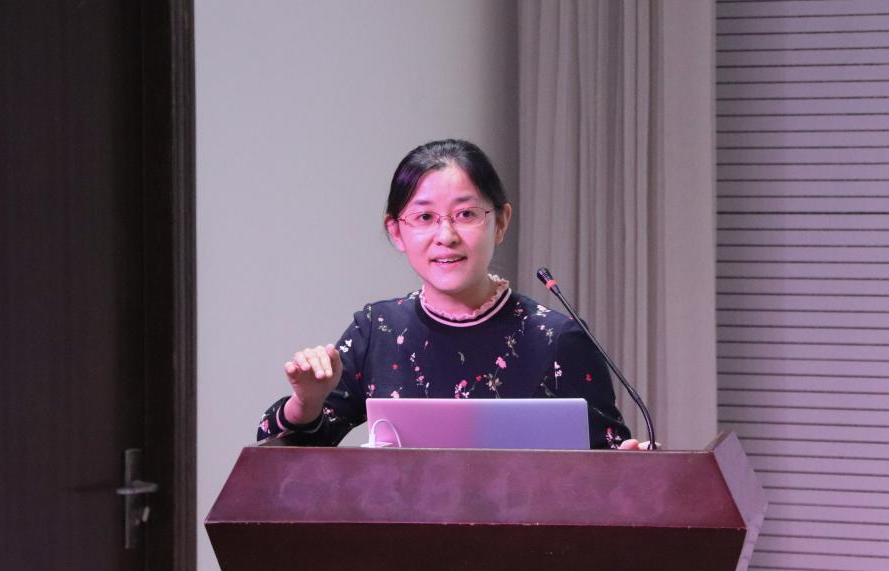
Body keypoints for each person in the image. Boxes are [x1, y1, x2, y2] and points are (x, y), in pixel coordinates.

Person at [256, 139, 640, 449]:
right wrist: (306, 402)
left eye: (466, 214)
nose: (446, 236)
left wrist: (630, 462)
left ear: (500, 222)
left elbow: (609, 464)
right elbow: (285, 454)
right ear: (396, 232)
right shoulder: (377, 329)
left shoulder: (557, 338)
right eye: (424, 217)